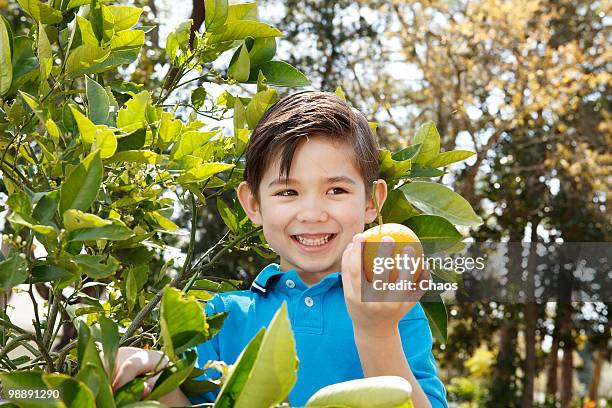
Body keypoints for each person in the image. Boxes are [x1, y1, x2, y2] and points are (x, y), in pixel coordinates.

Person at [112, 91, 447, 407]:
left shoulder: (394, 312)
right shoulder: (222, 316)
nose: (313, 214)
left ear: (372, 202)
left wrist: (377, 331)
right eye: (288, 192)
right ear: (253, 204)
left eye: (336, 190)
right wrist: (156, 375)